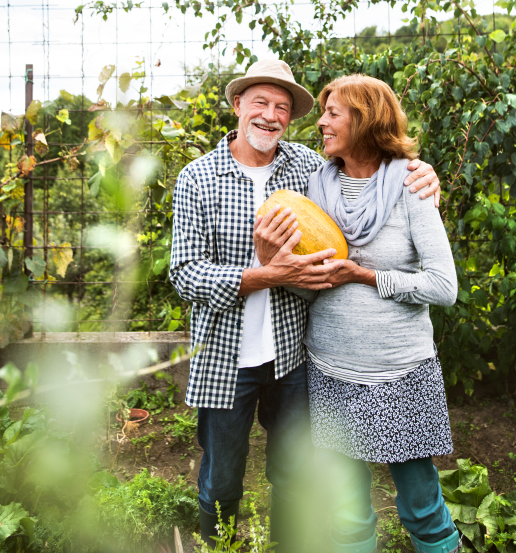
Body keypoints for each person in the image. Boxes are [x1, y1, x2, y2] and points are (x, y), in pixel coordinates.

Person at [169, 59, 441, 551]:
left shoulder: (310, 168)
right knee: (221, 483)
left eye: (282, 108)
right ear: (237, 105)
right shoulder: (198, 178)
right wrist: (262, 275)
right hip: (224, 359)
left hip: (294, 357)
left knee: (294, 477)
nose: (271, 116)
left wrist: (422, 174)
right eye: (260, 103)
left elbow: (372, 166)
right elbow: (184, 275)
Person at [258, 73, 460, 553]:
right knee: (348, 514)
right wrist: (278, 268)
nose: (321, 122)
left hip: (399, 374)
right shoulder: (316, 187)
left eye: (333, 113)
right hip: (330, 371)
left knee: (421, 507)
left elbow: (443, 286)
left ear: (365, 120)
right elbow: (314, 287)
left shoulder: (412, 184)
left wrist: (365, 276)